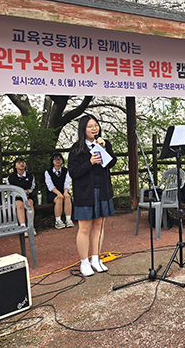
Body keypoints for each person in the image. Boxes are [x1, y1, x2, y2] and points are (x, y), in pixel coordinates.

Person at [68, 115, 118, 277]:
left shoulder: (104, 144)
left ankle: (96, 259)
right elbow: (74, 172)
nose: (94, 129)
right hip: (85, 193)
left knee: (99, 226)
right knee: (84, 228)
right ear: (83, 129)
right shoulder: (77, 149)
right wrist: (89, 162)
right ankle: (84, 262)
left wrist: (104, 149)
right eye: (90, 126)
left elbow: (111, 163)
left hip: (102, 190)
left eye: (96, 125)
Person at [6, 157, 36, 236]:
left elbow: (32, 187)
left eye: (23, 162)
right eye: (19, 163)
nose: (21, 164)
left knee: (29, 204)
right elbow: (9, 190)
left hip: (28, 196)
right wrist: (18, 194)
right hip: (16, 198)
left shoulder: (30, 176)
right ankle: (23, 227)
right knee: (20, 205)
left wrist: (27, 192)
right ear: (15, 166)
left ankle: (31, 226)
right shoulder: (11, 177)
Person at [44, 152, 74, 230]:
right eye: (55, 159)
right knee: (59, 199)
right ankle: (58, 221)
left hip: (63, 191)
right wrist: (59, 194)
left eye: (59, 159)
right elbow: (50, 186)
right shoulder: (48, 172)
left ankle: (68, 219)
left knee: (67, 198)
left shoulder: (65, 171)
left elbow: (67, 183)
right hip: (52, 193)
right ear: (52, 161)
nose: (58, 161)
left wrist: (65, 192)